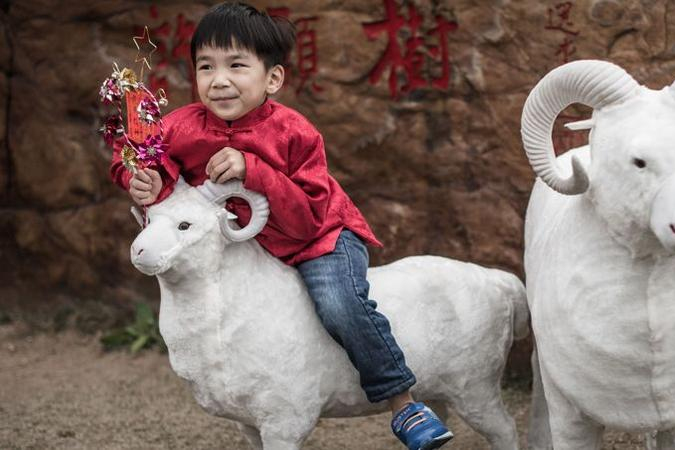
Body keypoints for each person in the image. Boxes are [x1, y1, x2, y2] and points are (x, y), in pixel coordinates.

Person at [109, 2, 452, 449]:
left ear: (273, 78)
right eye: (206, 66)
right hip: (247, 247)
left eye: (237, 65)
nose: (220, 80)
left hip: (317, 239)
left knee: (338, 304)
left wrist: (252, 169)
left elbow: (309, 213)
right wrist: (140, 178)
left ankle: (402, 401)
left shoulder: (295, 132)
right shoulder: (182, 125)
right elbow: (137, 156)